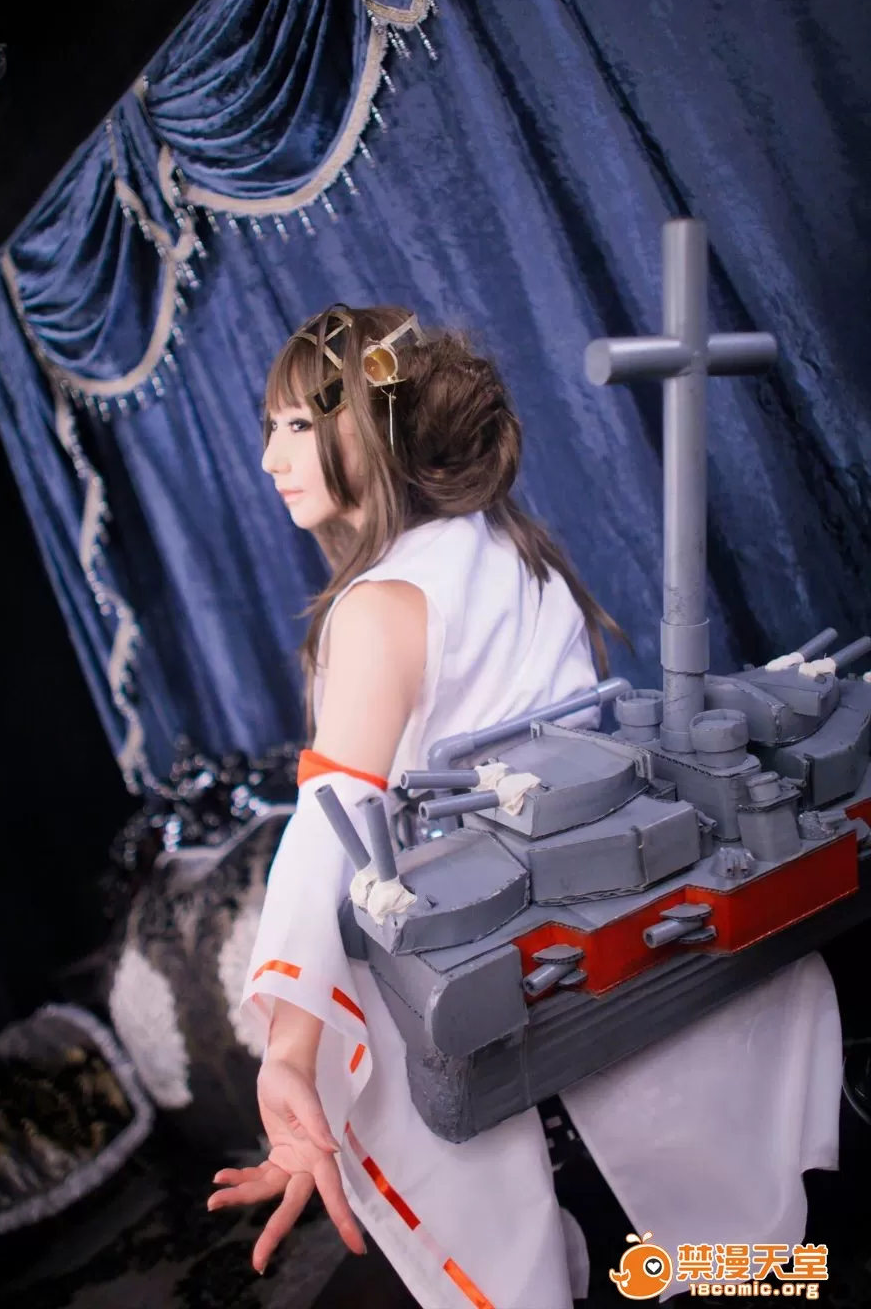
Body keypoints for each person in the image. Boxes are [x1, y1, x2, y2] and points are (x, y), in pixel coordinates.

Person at [207, 305, 842, 1308]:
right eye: (269, 427)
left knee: (371, 976)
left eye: (295, 425)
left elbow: (334, 833)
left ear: (373, 429)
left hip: (512, 937)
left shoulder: (377, 608)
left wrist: (290, 1048)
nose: (270, 458)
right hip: (606, 888)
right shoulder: (511, 544)